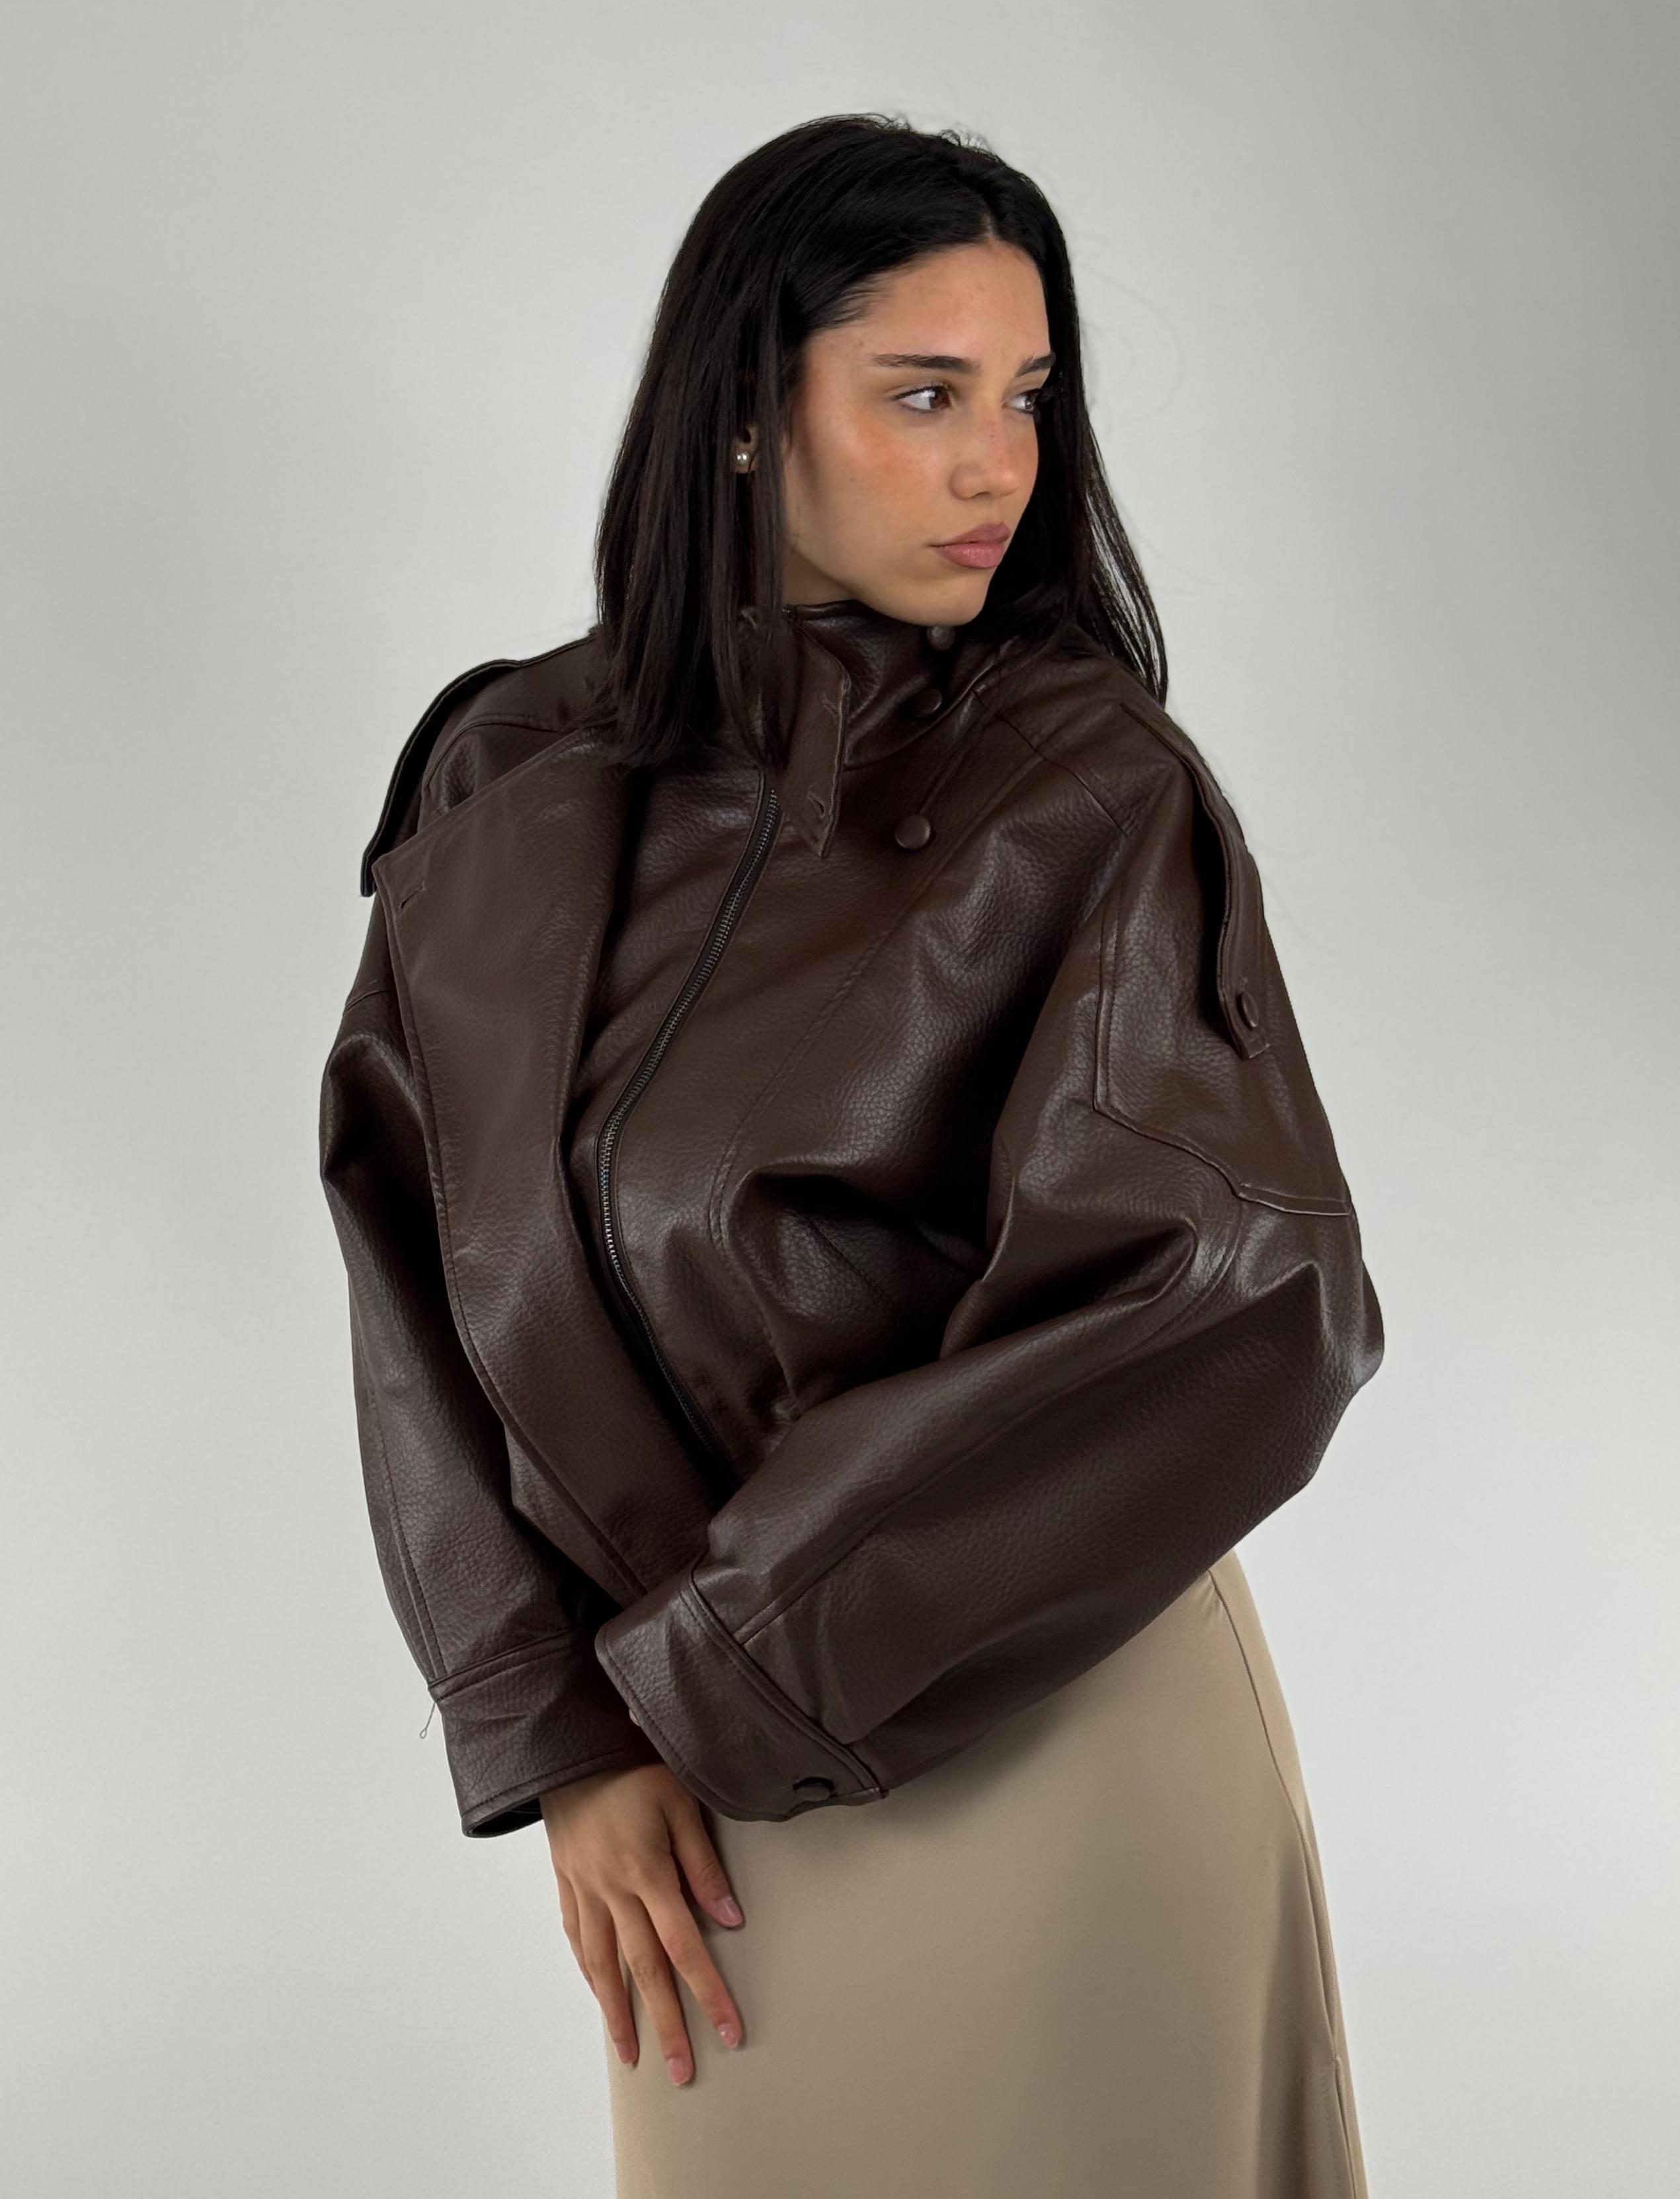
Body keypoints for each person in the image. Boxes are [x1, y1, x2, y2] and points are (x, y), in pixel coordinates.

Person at [318, 112, 1385, 2198]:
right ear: (744, 409)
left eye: (1028, 397)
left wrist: (709, 1667)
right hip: (689, 1792)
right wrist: (565, 1731)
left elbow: (1232, 1289)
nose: (1001, 466)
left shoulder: (1083, 786)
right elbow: (410, 1260)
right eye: (924, 394)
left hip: (1053, 1719)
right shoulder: (505, 776)